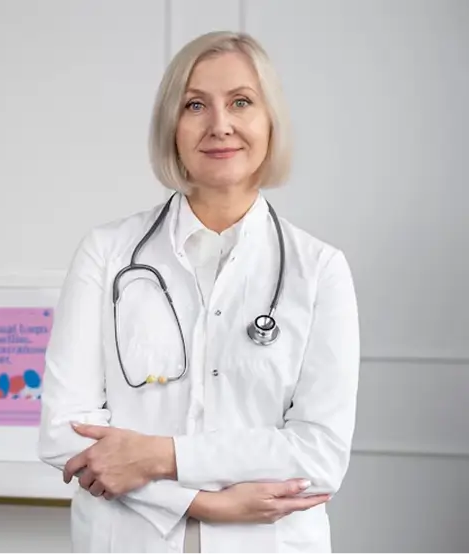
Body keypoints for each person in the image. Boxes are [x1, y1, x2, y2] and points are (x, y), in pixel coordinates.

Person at [36, 30, 360, 554]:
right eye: (195, 105)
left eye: (241, 102)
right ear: (172, 127)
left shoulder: (320, 270)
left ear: (270, 122)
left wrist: (158, 457)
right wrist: (200, 503)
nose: (220, 124)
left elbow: (319, 455)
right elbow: (62, 434)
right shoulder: (107, 253)